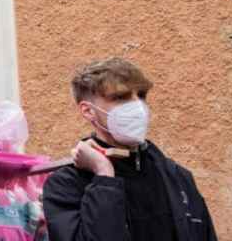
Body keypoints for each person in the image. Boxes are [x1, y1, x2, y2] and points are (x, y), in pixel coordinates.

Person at [42, 57, 217, 240]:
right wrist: (104, 176)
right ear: (88, 111)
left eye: (141, 96)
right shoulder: (66, 185)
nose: (137, 107)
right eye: (120, 97)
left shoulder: (177, 176)